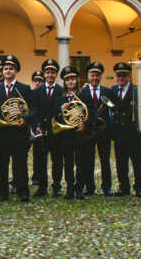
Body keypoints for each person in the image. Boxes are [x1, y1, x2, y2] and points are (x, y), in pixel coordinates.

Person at [0, 54, 36, 202]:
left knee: (20, 165)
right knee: (2, 165)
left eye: (11, 68)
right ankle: (2, 192)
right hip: (1, 133)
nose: (7, 71)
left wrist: (25, 119)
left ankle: (23, 191)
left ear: (16, 71)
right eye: (5, 68)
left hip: (19, 133)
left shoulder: (24, 89)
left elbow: (33, 109)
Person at [110, 62, 141, 197]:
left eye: (123, 75)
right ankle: (124, 187)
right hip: (119, 132)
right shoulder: (113, 90)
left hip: (134, 133)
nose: (121, 78)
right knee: (121, 162)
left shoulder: (136, 90)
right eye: (118, 75)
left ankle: (139, 187)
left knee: (137, 162)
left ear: (129, 76)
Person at [79, 61, 113, 196]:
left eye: (97, 75)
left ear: (101, 76)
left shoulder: (107, 91)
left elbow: (112, 109)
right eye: (92, 75)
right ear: (88, 76)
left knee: (105, 160)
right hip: (88, 131)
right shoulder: (83, 91)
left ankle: (107, 187)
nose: (95, 78)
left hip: (103, 131)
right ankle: (90, 186)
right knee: (88, 160)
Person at [53, 66, 85, 200]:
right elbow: (54, 114)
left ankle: (79, 188)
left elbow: (90, 112)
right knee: (68, 162)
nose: (70, 82)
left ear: (76, 80)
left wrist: (84, 123)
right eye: (68, 80)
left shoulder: (83, 95)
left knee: (80, 162)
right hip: (65, 134)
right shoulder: (60, 97)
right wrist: (61, 108)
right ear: (64, 82)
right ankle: (70, 188)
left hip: (80, 133)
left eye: (72, 79)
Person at [34, 59, 64, 197]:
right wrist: (36, 126)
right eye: (48, 72)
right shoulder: (37, 91)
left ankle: (56, 186)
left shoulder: (61, 91)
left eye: (53, 72)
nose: (50, 75)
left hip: (56, 131)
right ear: (44, 74)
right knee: (40, 160)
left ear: (56, 74)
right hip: (41, 129)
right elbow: (33, 111)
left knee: (57, 160)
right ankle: (42, 186)